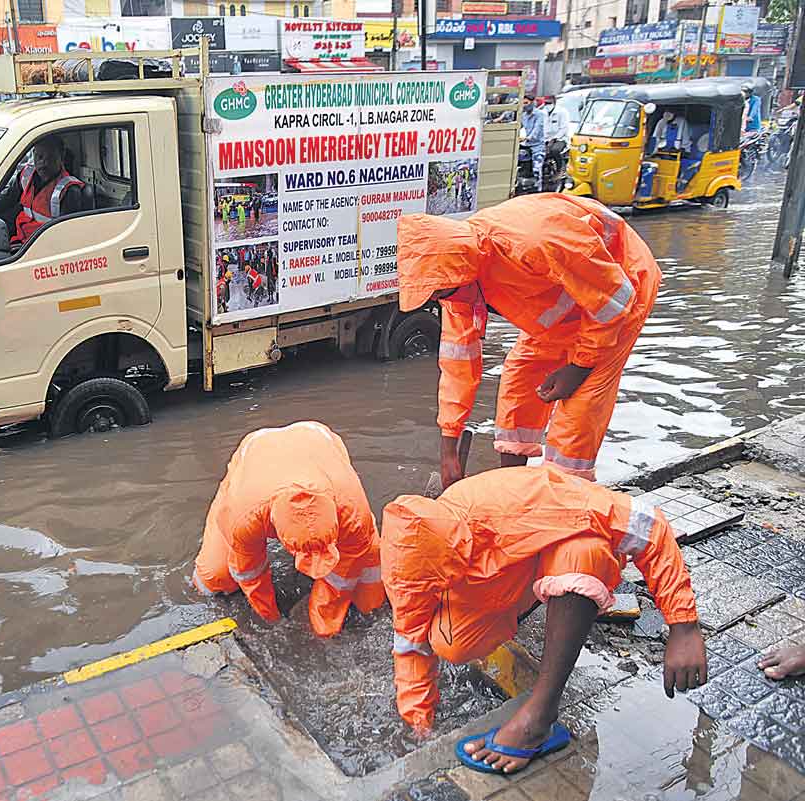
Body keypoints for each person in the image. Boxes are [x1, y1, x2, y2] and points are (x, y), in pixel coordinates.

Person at [382, 466, 705, 773]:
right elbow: (410, 641)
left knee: (581, 554)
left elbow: (651, 524)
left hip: (555, 540)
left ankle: (539, 716)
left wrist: (683, 626)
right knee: (451, 644)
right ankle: (538, 601)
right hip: (507, 573)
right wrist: (418, 723)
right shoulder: (407, 561)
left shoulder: (524, 507)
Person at [396, 193, 660, 486]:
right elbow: (458, 365)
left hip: (621, 291)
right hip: (565, 310)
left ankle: (565, 495)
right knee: (518, 385)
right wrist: (448, 449)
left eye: (441, 294)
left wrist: (579, 366)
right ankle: (512, 488)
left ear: (464, 275)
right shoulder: (454, 277)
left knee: (578, 412)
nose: (443, 301)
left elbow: (614, 299)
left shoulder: (533, 242)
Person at [193, 421, 386, 637]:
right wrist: (271, 618)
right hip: (257, 449)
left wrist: (323, 624)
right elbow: (249, 572)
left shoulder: (352, 510)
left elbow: (346, 571)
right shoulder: (244, 517)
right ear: (274, 528)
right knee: (214, 579)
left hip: (317, 439)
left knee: (370, 598)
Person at [0, 137, 86, 247]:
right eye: (39, 156)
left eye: (50, 157)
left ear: (62, 156)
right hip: (19, 241)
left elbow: (65, 237)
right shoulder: (26, 175)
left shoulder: (70, 191)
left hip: (42, 249)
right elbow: (2, 203)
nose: (43, 163)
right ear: (33, 153)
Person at [521, 94, 547, 183]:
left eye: (526, 103)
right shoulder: (523, 115)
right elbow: (518, 126)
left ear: (532, 103)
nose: (524, 105)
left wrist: (529, 137)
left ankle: (538, 187)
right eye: (523, 103)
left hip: (537, 145)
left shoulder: (539, 114)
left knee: (537, 168)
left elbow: (537, 128)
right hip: (526, 144)